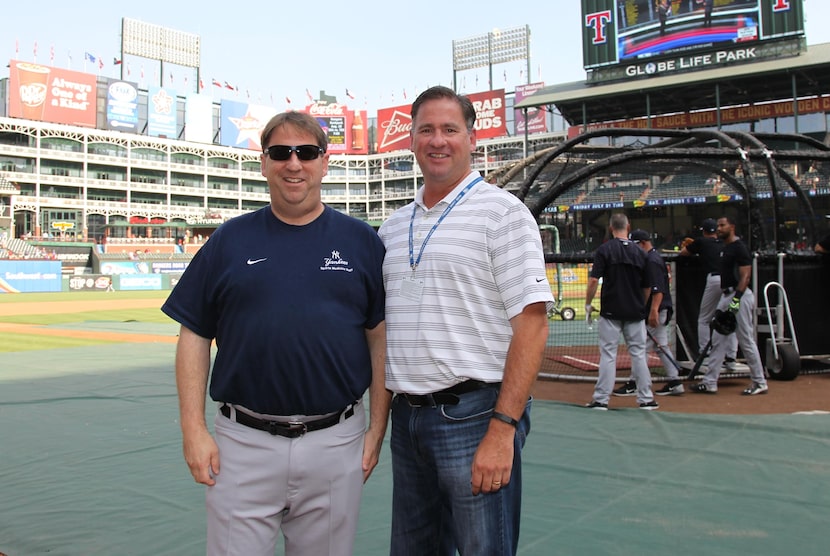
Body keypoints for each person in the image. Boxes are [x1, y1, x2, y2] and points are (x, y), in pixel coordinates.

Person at [161, 111, 389, 556]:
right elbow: (193, 334)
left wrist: (377, 428)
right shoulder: (229, 240)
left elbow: (379, 339)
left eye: (306, 152)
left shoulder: (362, 241)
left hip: (335, 440)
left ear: (325, 162)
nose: (294, 164)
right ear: (263, 163)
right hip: (243, 442)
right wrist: (192, 427)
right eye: (281, 153)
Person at [377, 85, 553, 555]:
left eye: (450, 129)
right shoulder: (391, 228)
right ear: (411, 140)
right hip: (408, 417)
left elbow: (533, 325)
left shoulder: (503, 214)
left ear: (472, 139)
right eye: (427, 130)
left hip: (475, 416)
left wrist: (503, 428)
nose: (438, 140)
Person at [585, 214, 659, 410]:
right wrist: (640, 305)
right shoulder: (641, 252)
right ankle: (646, 398)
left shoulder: (605, 249)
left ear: (611, 228)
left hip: (611, 310)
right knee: (639, 354)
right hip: (635, 311)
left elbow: (594, 281)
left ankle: (601, 399)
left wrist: (587, 304)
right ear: (628, 226)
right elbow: (647, 287)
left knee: (608, 355)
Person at [691, 215, 769, 396]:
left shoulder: (739, 248)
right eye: (718, 225)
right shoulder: (724, 247)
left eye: (722, 225)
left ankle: (759, 381)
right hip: (727, 295)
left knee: (746, 339)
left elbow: (745, 277)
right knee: (718, 340)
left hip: (738, 296)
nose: (719, 228)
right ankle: (710, 382)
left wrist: (735, 301)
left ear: (732, 227)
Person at [614, 229, 684, 396]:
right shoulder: (652, 258)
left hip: (657, 309)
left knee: (642, 347)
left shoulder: (651, 260)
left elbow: (657, 289)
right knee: (660, 346)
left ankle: (635, 383)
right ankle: (675, 381)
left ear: (643, 243)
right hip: (660, 308)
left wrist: (653, 311)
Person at [680, 218, 738, 371]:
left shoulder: (701, 241)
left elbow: (683, 253)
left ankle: (705, 355)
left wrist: (692, 246)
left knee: (704, 319)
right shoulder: (723, 243)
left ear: (704, 231)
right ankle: (731, 357)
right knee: (728, 318)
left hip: (714, 279)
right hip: (731, 280)